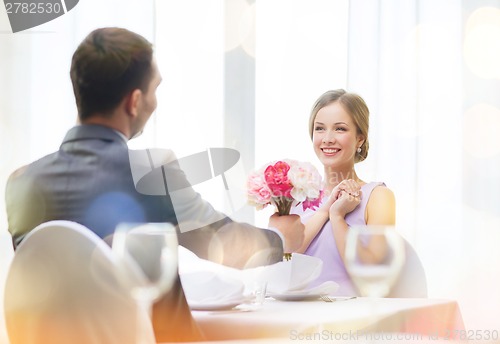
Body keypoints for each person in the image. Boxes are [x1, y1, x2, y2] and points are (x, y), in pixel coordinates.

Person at [5, 27, 304, 342]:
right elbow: (225, 246)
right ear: (134, 101)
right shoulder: (151, 171)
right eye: (154, 89)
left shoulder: (21, 182)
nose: (154, 101)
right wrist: (279, 240)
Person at [291, 89, 396, 296]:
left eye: (340, 129)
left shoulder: (378, 197)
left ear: (360, 139)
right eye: (320, 129)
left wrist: (337, 217)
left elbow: (372, 274)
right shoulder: (295, 196)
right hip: (294, 316)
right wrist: (324, 211)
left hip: (352, 320)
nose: (328, 139)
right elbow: (282, 262)